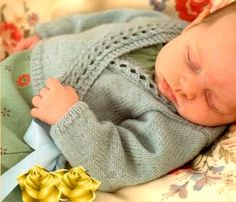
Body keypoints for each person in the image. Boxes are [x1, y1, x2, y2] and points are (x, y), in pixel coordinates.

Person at [3, 2, 236, 192]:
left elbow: (118, 166)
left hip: (26, 129)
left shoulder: (180, 131)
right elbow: (101, 21)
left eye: (211, 100)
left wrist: (70, 119)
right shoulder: (163, 26)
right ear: (196, 22)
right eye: (192, 62)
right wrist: (48, 32)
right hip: (17, 67)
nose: (186, 87)